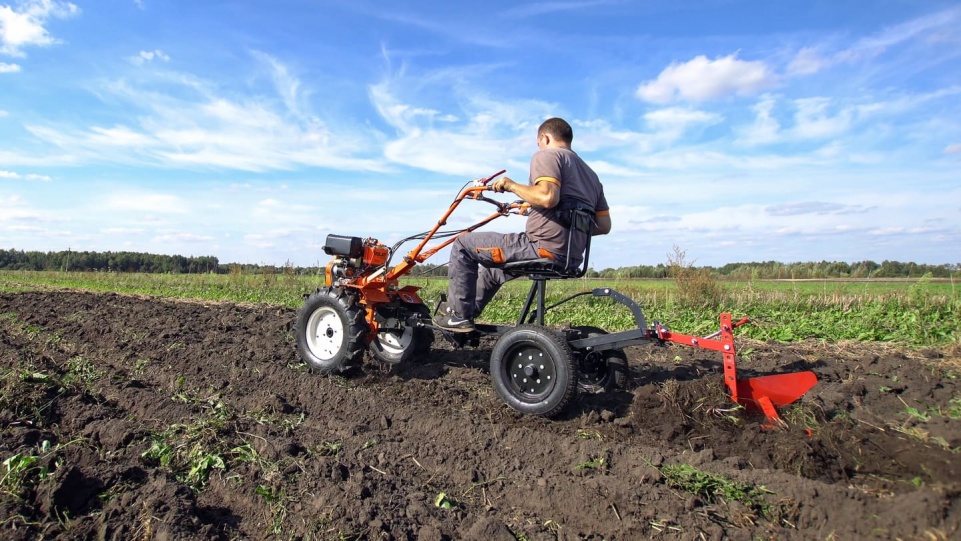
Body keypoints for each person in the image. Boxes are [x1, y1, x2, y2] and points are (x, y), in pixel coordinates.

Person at [433, 117, 612, 332]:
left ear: (544, 138)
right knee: (493, 272)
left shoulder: (548, 155)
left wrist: (510, 185)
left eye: (539, 142)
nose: (538, 146)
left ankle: (458, 316)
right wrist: (550, 214)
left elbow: (547, 197)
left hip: (541, 246)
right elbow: (603, 225)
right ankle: (467, 316)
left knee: (463, 244)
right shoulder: (591, 176)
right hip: (571, 256)